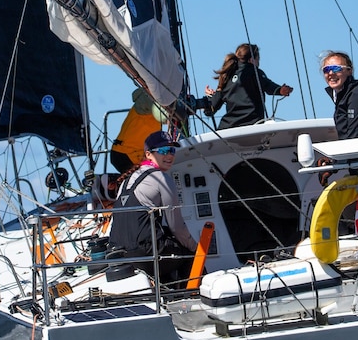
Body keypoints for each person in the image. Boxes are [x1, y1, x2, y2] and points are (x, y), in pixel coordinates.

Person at [109, 130, 198, 285]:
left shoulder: (126, 181)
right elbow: (176, 227)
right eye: (163, 151)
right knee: (188, 254)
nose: (169, 155)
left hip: (120, 254)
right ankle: (188, 298)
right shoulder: (161, 178)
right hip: (145, 251)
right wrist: (196, 247)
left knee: (166, 252)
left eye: (172, 150)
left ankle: (165, 295)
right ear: (148, 154)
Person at [199, 43, 293, 130]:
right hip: (252, 128)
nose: (258, 63)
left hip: (226, 130)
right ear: (251, 60)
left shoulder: (226, 77)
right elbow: (267, 85)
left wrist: (211, 97)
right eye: (258, 59)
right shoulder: (255, 72)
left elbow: (210, 110)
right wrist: (280, 90)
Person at [110, 87, 160, 173]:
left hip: (128, 153)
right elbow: (163, 113)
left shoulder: (153, 98)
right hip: (126, 154)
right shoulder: (144, 100)